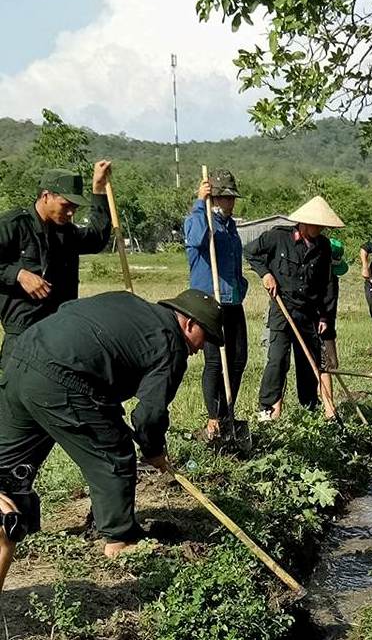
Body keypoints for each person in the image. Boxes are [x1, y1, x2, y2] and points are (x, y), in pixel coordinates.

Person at [0, 288, 222, 570]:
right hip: (63, 375)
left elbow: (70, 308)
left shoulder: (129, 302)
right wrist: (153, 451)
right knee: (113, 450)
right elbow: (149, 414)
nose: (203, 348)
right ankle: (120, 539)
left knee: (10, 461)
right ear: (190, 323)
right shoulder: (171, 343)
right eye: (207, 338)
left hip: (22, 355)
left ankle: (14, 527)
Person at [0, 163, 113, 363]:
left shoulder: (66, 232)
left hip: (60, 333)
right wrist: (18, 274)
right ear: (46, 196)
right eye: (66, 205)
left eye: (75, 208)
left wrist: (98, 190)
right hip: (23, 335)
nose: (71, 213)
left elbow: (96, 239)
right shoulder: (13, 226)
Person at [244, 196, 343, 420]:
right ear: (303, 222)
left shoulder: (324, 247)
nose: (319, 229)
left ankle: (309, 407)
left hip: (309, 312)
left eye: (322, 225)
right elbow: (250, 252)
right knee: (277, 360)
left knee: (308, 361)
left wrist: (325, 317)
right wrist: (266, 274)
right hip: (282, 308)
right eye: (315, 224)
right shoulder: (278, 237)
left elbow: (327, 283)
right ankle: (268, 410)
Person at [184, 169, 248, 441]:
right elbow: (197, 240)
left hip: (232, 299)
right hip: (209, 301)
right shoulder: (198, 219)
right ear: (214, 199)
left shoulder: (231, 226)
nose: (230, 203)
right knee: (214, 361)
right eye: (224, 198)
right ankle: (213, 418)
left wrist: (241, 285)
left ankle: (227, 413)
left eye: (232, 198)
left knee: (238, 359)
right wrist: (201, 203)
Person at [319, 236, 349, 417]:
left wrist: (332, 350)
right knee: (324, 365)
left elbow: (329, 315)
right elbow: (327, 316)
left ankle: (327, 407)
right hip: (318, 328)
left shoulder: (330, 280)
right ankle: (329, 410)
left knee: (325, 365)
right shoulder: (327, 280)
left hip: (324, 327)